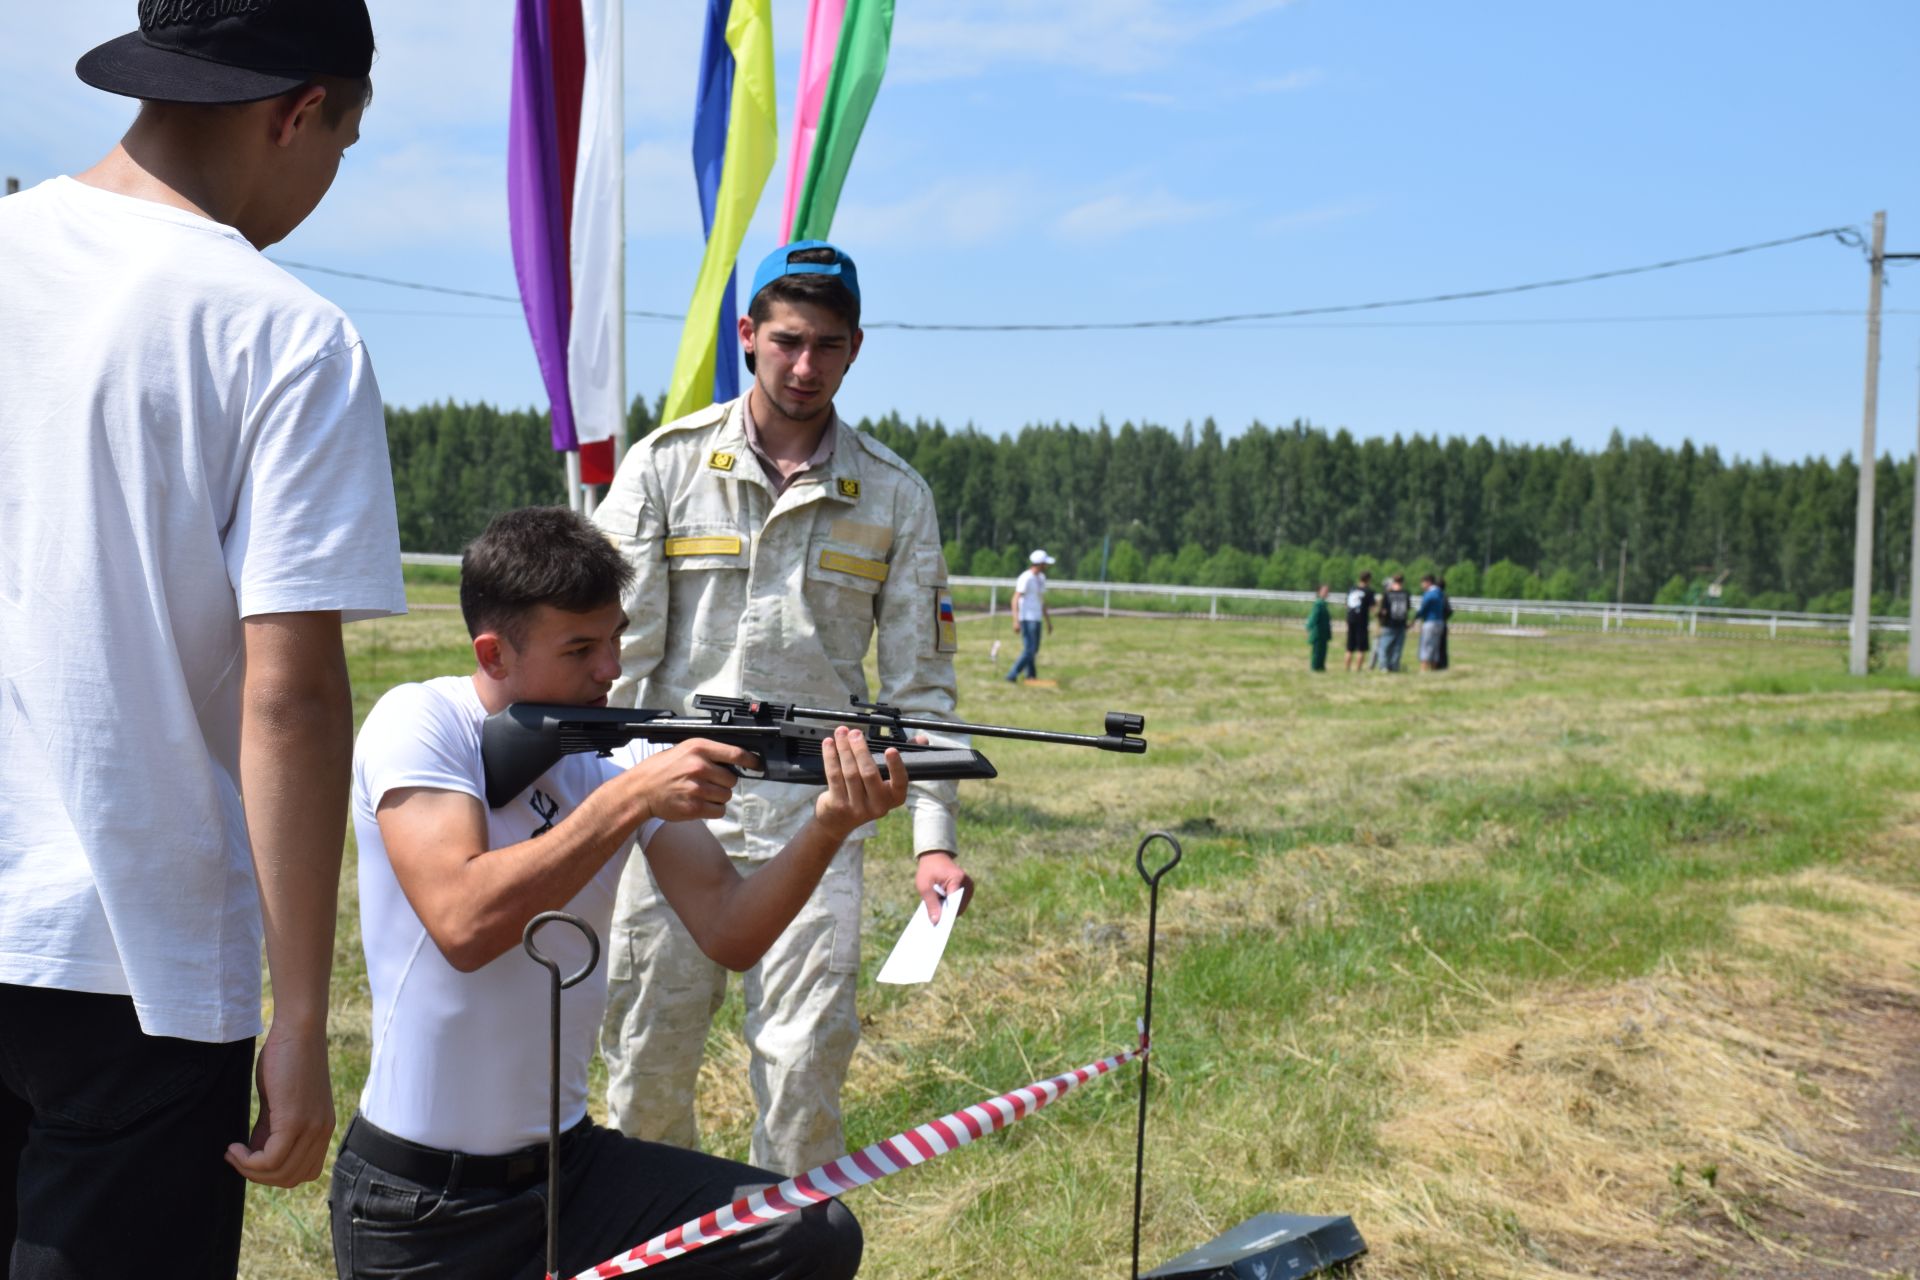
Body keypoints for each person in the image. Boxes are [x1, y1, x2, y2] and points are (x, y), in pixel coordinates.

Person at [0, 4, 403, 1275]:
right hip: (139, 958)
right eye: (344, 143)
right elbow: (287, 697)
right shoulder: (285, 333)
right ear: (298, 111)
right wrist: (300, 1012)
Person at [332, 508, 876, 1280]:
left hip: (570, 1175)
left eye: (615, 638)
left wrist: (827, 826)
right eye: (580, 648)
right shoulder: (420, 721)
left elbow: (729, 929)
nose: (609, 669)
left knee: (808, 1232)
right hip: (422, 1204)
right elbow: (463, 921)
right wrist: (628, 800)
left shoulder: (621, 749)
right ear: (493, 652)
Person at [592, 241, 973, 1176]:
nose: (805, 368)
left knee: (804, 1076)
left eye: (828, 346)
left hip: (818, 817)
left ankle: (780, 1257)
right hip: (672, 812)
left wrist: (934, 838)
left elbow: (921, 686)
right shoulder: (665, 469)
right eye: (788, 342)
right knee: (646, 1071)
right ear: (748, 336)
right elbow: (609, 663)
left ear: (855, 350)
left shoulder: (894, 495)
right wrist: (594, 806)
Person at [1006, 549, 1056, 682]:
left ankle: (1031, 676)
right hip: (1027, 618)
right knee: (1030, 649)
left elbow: (1041, 600)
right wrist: (1015, 620)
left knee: (1034, 650)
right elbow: (1015, 599)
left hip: (1037, 617)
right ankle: (1012, 674)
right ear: (1039, 563)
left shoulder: (1041, 578)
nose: (1047, 566)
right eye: (1045, 563)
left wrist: (1048, 621)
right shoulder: (1025, 578)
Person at [1374, 573, 1412, 673]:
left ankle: (1384, 666)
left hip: (1389, 624)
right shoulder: (1406, 594)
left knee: (1384, 647)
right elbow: (1407, 609)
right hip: (1401, 624)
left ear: (1393, 582)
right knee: (1397, 648)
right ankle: (1394, 666)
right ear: (1402, 582)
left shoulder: (1387, 594)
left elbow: (1383, 611)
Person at [1343, 571, 1376, 672]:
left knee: (1349, 647)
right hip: (1361, 621)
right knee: (1361, 648)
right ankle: (1358, 669)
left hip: (1350, 619)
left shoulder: (1351, 589)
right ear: (1369, 579)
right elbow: (1373, 608)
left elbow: (1346, 605)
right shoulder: (1369, 591)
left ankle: (1346, 668)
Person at [1417, 573, 1449, 672]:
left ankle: (1423, 669)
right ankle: (1434, 668)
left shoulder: (1429, 594)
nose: (1421, 585)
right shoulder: (1440, 593)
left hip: (1430, 622)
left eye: (1423, 583)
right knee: (1435, 647)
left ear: (1428, 582)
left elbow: (1423, 609)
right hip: (1440, 622)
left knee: (1426, 646)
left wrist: (1415, 618)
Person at [1304, 584, 1333, 671]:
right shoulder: (1318, 604)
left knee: (1323, 651)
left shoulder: (1324, 604)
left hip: (1324, 632)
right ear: (1319, 592)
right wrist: (1308, 627)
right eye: (1324, 591)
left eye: (1327, 591)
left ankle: (1321, 666)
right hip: (1318, 632)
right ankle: (1314, 667)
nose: (1326, 593)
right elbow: (1314, 617)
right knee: (1317, 651)